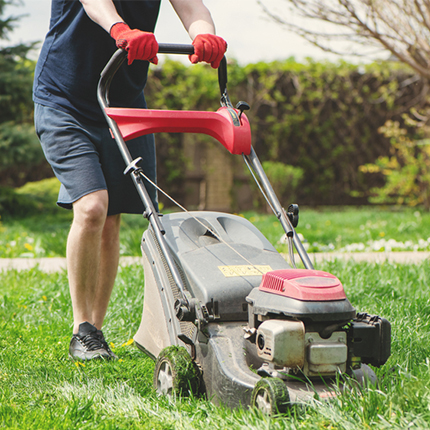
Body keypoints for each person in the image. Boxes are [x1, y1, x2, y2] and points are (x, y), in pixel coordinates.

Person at [33, 0, 227, 361]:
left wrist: (205, 36)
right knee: (92, 207)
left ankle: (95, 331)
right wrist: (119, 28)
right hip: (65, 100)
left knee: (111, 219)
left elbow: (191, 7)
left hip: (122, 102)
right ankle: (81, 328)